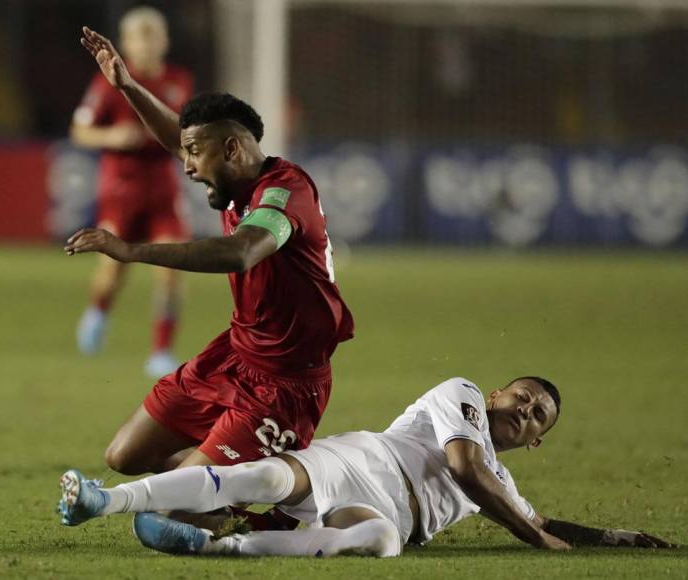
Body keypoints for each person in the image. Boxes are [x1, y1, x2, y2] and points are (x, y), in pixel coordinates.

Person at [67, 27, 354, 476]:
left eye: (195, 154)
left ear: (232, 149)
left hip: (287, 383)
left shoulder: (284, 192)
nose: (186, 166)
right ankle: (231, 472)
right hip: (234, 354)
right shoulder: (232, 176)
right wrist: (128, 87)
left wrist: (132, 251)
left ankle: (281, 482)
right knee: (124, 456)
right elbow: (178, 138)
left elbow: (241, 253)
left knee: (175, 514)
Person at [57, 376, 676, 557]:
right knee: (274, 476)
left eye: (538, 413)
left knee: (380, 543)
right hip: (365, 460)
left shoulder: (504, 483)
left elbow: (531, 513)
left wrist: (615, 538)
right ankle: (104, 500)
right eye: (521, 396)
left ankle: (220, 546)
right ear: (493, 395)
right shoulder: (459, 396)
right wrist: (532, 534)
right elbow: (463, 467)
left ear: (537, 439)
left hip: (390, 516)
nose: (526, 407)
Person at [71, 7, 194, 378]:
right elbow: (79, 131)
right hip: (121, 189)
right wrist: (111, 136)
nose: (146, 44)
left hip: (162, 188)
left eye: (153, 36)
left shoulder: (179, 82)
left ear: (165, 41)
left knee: (173, 268)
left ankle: (161, 351)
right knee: (112, 270)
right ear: (126, 44)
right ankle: (98, 310)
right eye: (140, 37)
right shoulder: (107, 81)